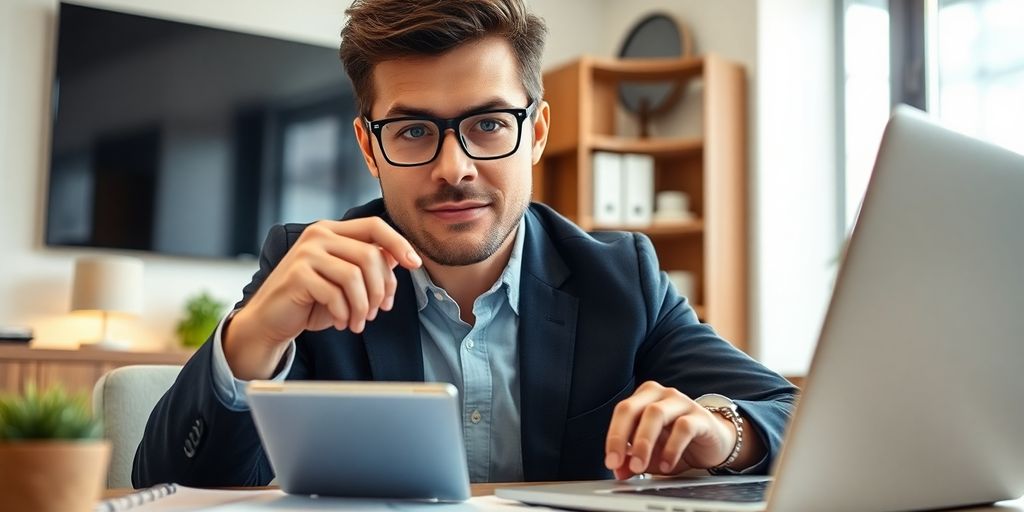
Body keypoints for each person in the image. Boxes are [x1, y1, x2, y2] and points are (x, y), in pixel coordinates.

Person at [134, 0, 797, 487]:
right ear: (370, 146)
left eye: (487, 123)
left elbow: (795, 418)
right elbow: (163, 483)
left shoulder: (620, 277)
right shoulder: (310, 268)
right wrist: (250, 341)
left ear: (536, 132)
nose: (455, 167)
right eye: (415, 130)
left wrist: (722, 431)